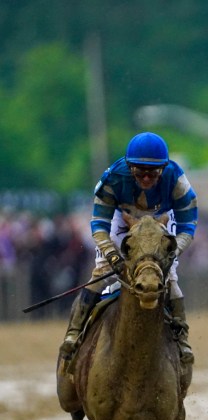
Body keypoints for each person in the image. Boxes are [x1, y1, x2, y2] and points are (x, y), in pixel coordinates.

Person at [58, 132, 199, 368]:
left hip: (161, 220)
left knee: (170, 277)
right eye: (139, 171)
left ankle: (182, 340)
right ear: (128, 166)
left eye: (152, 172)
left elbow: (188, 224)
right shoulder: (113, 178)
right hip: (121, 217)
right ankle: (74, 333)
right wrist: (112, 255)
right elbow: (99, 225)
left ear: (164, 169)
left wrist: (173, 252)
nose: (145, 177)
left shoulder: (178, 181)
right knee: (103, 272)